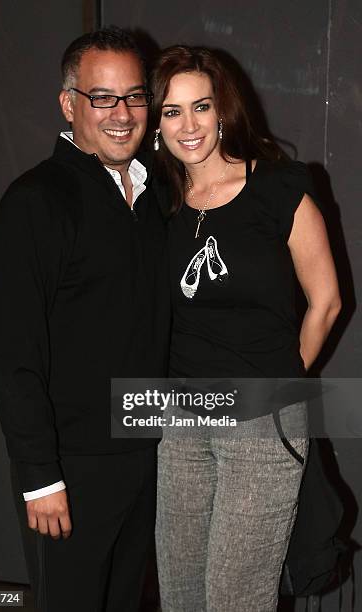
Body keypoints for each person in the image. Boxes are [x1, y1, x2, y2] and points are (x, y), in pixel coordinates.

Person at [150, 45, 341, 611]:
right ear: (157, 123)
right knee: (181, 596)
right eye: (172, 111)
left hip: (259, 423)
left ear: (223, 110)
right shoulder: (160, 203)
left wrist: (277, 385)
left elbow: (326, 301)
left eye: (200, 106)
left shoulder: (279, 188)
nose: (189, 125)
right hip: (180, 420)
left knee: (235, 599)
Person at [0, 27, 170, 612]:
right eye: (103, 98)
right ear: (70, 104)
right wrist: (41, 476)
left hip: (145, 459)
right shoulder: (35, 201)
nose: (122, 114)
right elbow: (13, 352)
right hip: (69, 471)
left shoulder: (154, 197)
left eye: (135, 96)